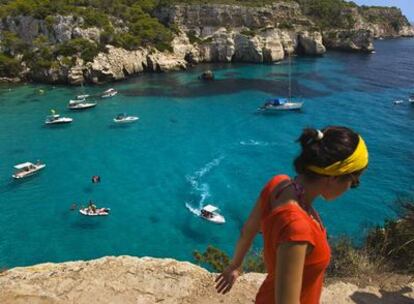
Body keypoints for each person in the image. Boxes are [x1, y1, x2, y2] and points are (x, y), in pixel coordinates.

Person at [215, 126, 369, 304]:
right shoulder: (297, 227)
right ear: (334, 177)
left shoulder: (278, 184)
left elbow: (247, 231)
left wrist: (235, 265)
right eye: (354, 181)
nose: (351, 187)